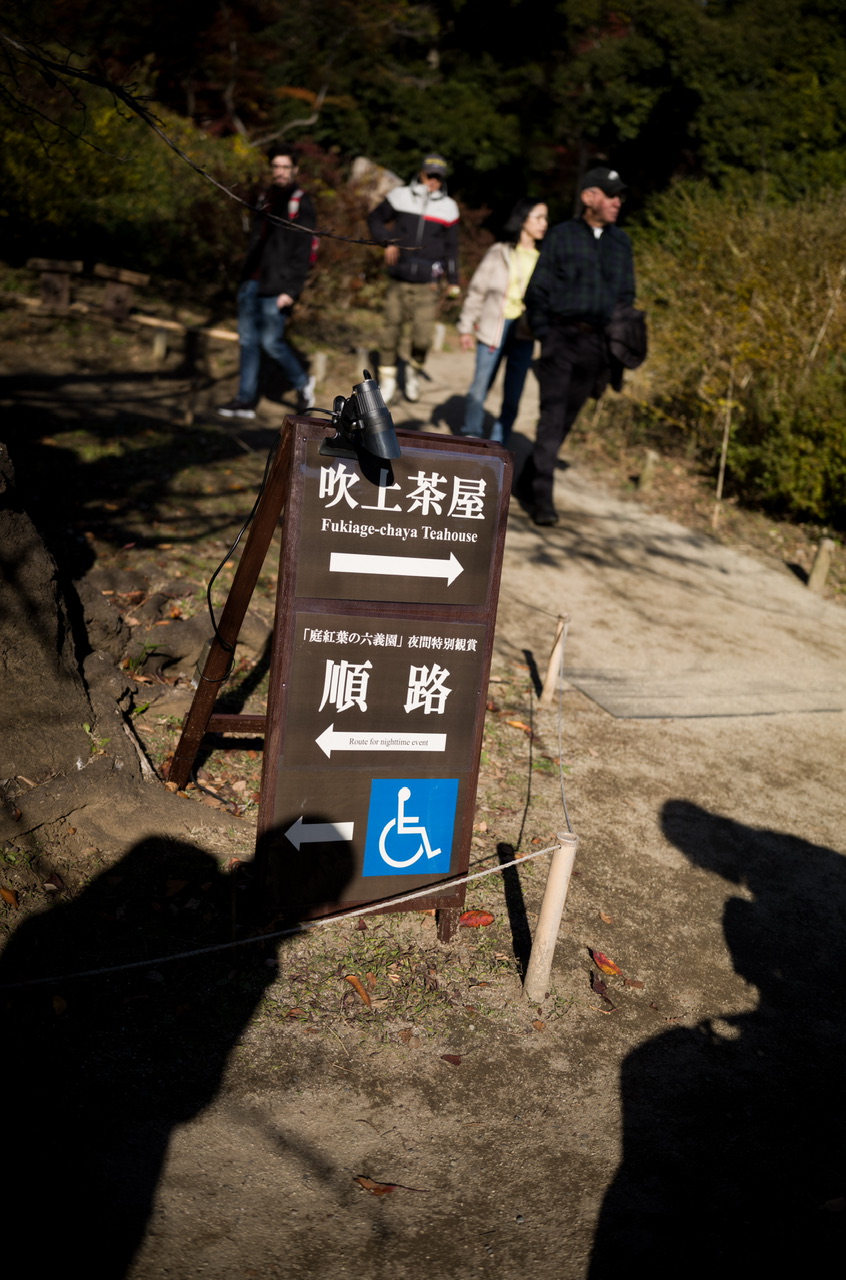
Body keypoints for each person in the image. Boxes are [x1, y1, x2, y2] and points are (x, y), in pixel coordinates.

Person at [516, 166, 636, 525]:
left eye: (619, 196)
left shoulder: (621, 242)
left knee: (566, 419)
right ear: (589, 197)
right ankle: (542, 500)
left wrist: (618, 345)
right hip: (560, 340)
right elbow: (536, 291)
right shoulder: (561, 236)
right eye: (610, 195)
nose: (617, 202)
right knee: (551, 418)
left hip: (597, 347)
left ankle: (527, 479)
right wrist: (546, 335)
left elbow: (627, 296)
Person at [218, 146, 316, 420]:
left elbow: (304, 251)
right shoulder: (265, 197)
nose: (280, 172)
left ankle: (302, 381)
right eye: (276, 166)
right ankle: (245, 400)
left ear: (295, 169)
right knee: (248, 341)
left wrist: (292, 290)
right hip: (251, 281)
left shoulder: (300, 202)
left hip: (279, 287)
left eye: (286, 167)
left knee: (271, 342)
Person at [367, 152, 460, 404]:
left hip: (428, 283)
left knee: (422, 337)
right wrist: (386, 242)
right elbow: (375, 217)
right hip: (399, 278)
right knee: (390, 332)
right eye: (430, 175)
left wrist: (454, 281)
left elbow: (452, 248)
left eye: (439, 177)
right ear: (421, 173)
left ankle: (413, 373)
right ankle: (387, 381)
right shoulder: (400, 196)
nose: (433, 181)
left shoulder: (449, 208)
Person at [457, 198, 549, 445]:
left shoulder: (544, 259)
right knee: (480, 388)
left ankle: (499, 444)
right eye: (538, 217)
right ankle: (471, 437)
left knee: (513, 395)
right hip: (493, 329)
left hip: (525, 333)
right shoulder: (499, 252)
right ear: (523, 219)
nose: (544, 224)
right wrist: (466, 325)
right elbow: (477, 290)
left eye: (545, 218)